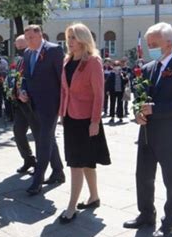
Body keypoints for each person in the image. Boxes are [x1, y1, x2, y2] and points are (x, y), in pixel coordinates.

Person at [123, 22, 172, 237]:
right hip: (147, 135)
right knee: (143, 177)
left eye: (154, 44)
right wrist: (138, 112)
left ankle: (169, 223)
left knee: (171, 181)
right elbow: (140, 98)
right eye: (148, 44)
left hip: (171, 137)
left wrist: (156, 110)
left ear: (169, 42)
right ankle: (146, 214)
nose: (150, 48)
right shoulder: (149, 68)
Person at [58, 23, 111, 223]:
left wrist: (95, 121)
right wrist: (62, 112)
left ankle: (71, 206)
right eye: (68, 37)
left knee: (76, 163)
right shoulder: (67, 60)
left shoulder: (93, 62)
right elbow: (65, 90)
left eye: (73, 37)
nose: (69, 41)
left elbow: (99, 95)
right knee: (85, 161)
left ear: (83, 39)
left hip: (87, 119)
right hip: (70, 117)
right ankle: (94, 196)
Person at [19, 24, 65, 195]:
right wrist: (23, 90)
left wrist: (63, 106)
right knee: (48, 138)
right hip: (32, 104)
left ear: (40, 36)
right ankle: (58, 172)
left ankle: (38, 179)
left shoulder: (54, 51)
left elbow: (62, 78)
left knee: (43, 140)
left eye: (31, 38)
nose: (28, 41)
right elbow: (26, 76)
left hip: (50, 104)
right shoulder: (27, 53)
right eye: (27, 38)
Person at [11, 34, 39, 173]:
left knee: (38, 134)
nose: (19, 49)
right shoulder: (20, 60)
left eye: (22, 47)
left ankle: (43, 164)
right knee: (18, 132)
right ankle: (28, 159)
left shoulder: (33, 58)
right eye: (18, 47)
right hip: (19, 103)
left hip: (31, 103)